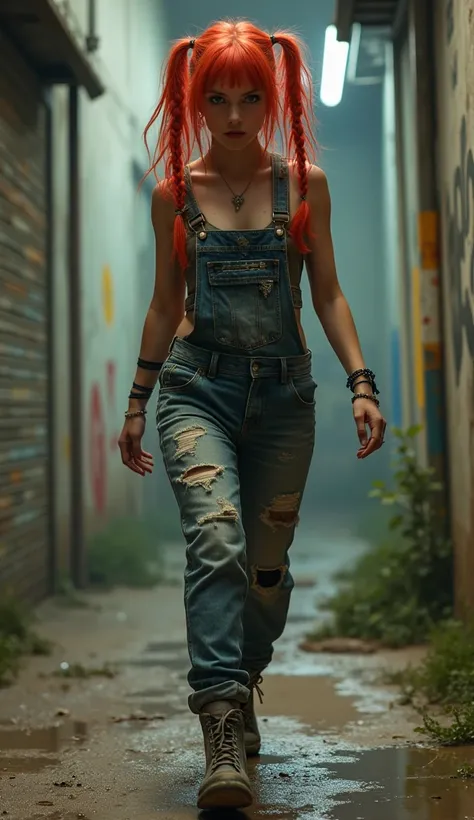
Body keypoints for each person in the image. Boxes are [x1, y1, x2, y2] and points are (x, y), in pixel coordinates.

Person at [118, 19, 386, 811]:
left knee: (264, 571)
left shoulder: (305, 185)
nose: (234, 115)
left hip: (284, 397)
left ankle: (244, 668)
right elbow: (167, 304)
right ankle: (222, 723)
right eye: (218, 99)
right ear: (194, 102)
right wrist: (138, 401)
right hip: (196, 387)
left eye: (250, 98)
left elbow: (327, 291)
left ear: (272, 100)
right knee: (217, 539)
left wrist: (360, 380)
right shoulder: (172, 193)